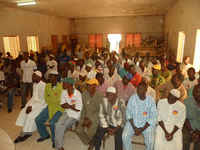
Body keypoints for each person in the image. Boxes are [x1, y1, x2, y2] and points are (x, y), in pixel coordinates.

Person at [122, 82, 157, 150]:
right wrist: (134, 127)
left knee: (150, 141)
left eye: (141, 89)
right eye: (138, 89)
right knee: (125, 136)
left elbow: (153, 117)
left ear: (146, 90)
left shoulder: (151, 100)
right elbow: (128, 113)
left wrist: (142, 129)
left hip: (146, 125)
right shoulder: (132, 98)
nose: (138, 90)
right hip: (133, 123)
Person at [14, 71, 46, 143]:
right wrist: (28, 105)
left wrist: (32, 107)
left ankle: (26, 132)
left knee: (30, 116)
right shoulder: (34, 84)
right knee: (23, 111)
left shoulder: (43, 85)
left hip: (41, 105)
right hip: (34, 103)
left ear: (39, 77)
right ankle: (26, 129)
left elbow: (42, 100)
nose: (32, 77)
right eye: (32, 76)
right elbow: (33, 97)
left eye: (34, 76)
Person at [35, 71, 64, 148]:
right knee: (38, 119)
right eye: (49, 76)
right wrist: (52, 99)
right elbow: (46, 98)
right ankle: (45, 135)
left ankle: (55, 140)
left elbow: (59, 100)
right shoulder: (47, 86)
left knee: (52, 123)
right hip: (50, 106)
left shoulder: (61, 87)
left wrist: (52, 98)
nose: (49, 78)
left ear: (56, 77)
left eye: (51, 76)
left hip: (59, 108)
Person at [55, 78, 82, 150]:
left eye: (64, 83)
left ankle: (58, 146)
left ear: (70, 85)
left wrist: (68, 105)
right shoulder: (64, 92)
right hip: (67, 112)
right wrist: (71, 106)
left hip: (76, 115)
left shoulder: (77, 93)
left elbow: (78, 109)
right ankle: (58, 144)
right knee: (58, 124)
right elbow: (62, 104)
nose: (62, 85)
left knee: (62, 126)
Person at [76, 79, 103, 146]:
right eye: (87, 85)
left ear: (94, 86)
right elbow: (84, 108)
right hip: (86, 116)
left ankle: (91, 143)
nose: (87, 87)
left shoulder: (100, 96)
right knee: (78, 130)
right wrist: (82, 119)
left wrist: (91, 119)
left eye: (89, 85)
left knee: (90, 131)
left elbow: (100, 111)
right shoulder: (84, 94)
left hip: (96, 117)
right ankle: (90, 142)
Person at [183, 85, 200, 150]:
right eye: (197, 92)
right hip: (188, 130)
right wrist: (192, 131)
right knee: (185, 137)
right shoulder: (187, 102)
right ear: (193, 93)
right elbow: (185, 119)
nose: (199, 94)